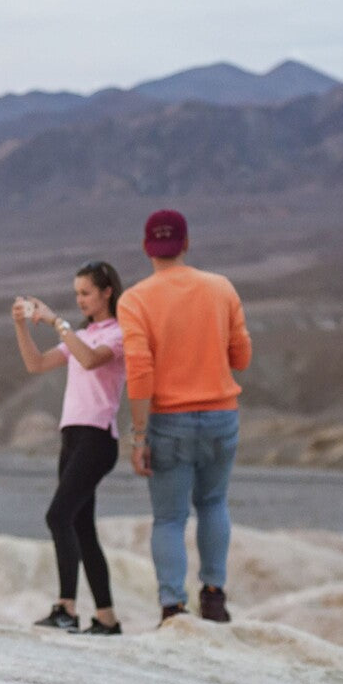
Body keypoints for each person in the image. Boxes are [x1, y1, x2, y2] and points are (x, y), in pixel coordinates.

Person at [117, 209, 252, 625]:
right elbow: (242, 358)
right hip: (220, 416)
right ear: (186, 244)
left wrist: (139, 436)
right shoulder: (221, 288)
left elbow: (140, 374)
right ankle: (214, 597)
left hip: (168, 422)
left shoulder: (135, 299)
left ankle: (173, 608)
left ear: (146, 248)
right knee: (213, 504)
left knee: (170, 518)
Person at [11, 262, 126, 636]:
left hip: (97, 438)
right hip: (73, 436)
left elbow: (91, 360)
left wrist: (56, 321)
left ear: (107, 292)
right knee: (81, 526)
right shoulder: (80, 334)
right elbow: (37, 363)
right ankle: (106, 618)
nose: (80, 300)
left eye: (85, 293)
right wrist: (22, 326)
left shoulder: (119, 333)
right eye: (76, 293)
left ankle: (66, 607)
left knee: (58, 516)